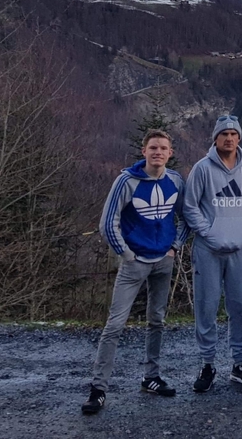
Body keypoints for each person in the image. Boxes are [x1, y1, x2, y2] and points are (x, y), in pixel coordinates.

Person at [82, 130, 188, 415]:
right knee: (115, 325)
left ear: (170, 153)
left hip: (163, 260)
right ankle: (98, 389)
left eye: (163, 148)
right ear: (144, 151)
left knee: (157, 321)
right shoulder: (126, 181)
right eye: (153, 147)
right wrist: (126, 254)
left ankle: (151, 377)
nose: (158, 152)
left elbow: (186, 216)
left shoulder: (175, 180)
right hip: (134, 262)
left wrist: (175, 246)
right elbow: (108, 222)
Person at [183, 115, 242, 392]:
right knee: (206, 306)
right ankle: (207, 364)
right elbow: (190, 206)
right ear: (215, 138)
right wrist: (207, 232)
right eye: (224, 134)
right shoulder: (202, 168)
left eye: (233, 134)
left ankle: (239, 363)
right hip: (208, 249)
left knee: (240, 306)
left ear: (239, 138)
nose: (229, 138)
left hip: (241, 249)